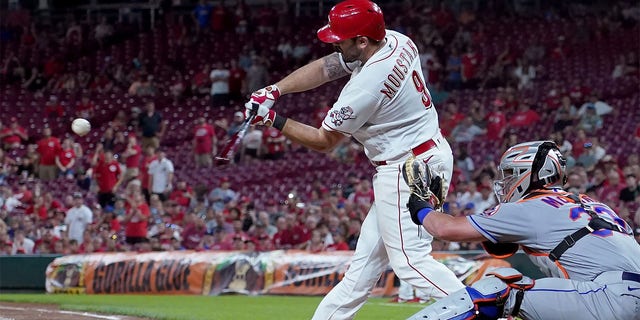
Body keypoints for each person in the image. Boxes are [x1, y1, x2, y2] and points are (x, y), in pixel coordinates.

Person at [243, 1, 464, 318]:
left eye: (341, 39)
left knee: (410, 261)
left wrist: (272, 120)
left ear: (362, 40)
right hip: (426, 154)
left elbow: (325, 141)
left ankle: (486, 311)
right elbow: (326, 67)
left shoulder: (365, 86)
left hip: (407, 168)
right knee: (361, 273)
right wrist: (275, 90)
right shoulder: (398, 39)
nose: (336, 43)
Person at [405, 141, 640, 320]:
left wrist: (421, 205)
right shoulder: (593, 204)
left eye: (510, 174)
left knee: (501, 287)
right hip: (620, 294)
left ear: (530, 175)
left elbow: (444, 229)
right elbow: (505, 245)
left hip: (611, 298)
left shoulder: (530, 207)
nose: (504, 182)